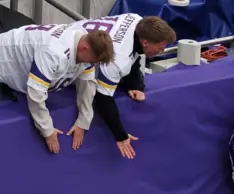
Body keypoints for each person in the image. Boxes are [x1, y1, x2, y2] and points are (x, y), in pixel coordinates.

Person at [72, 15, 176, 159]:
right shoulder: (117, 58)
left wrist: (135, 85)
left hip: (71, 33)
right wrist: (120, 136)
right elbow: (103, 98)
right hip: (66, 52)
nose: (162, 51)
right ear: (145, 42)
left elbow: (133, 58)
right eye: (160, 48)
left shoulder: (136, 20)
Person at [0, 23, 114, 154]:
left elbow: (87, 84)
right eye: (93, 61)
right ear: (85, 48)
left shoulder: (84, 40)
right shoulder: (53, 51)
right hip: (5, 55)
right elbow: (35, 93)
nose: (93, 64)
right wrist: (47, 130)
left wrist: (84, 120)